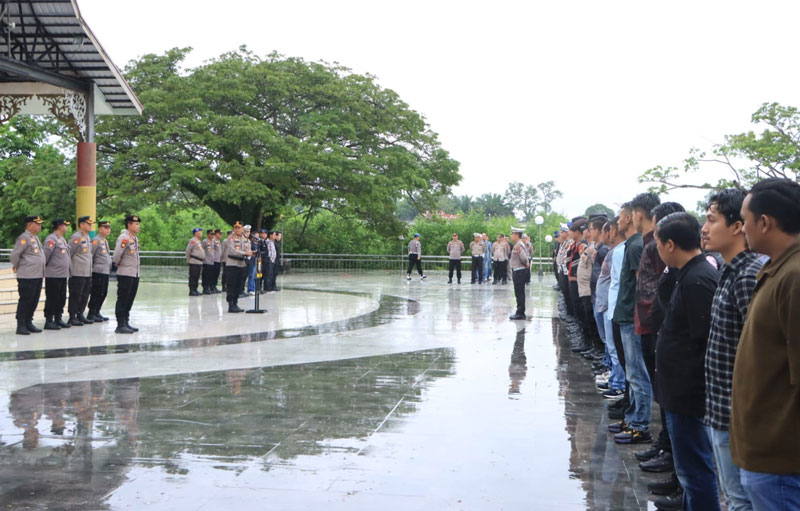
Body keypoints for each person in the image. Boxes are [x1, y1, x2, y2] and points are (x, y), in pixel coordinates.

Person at [731, 178, 800, 511]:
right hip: (763, 453)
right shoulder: (778, 269)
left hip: (781, 461)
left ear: (765, 222)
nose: (741, 228)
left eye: (744, 220)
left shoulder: (795, 276)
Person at [654, 212, 721, 511]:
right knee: (688, 468)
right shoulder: (685, 273)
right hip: (677, 390)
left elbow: (705, 341)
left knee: (695, 469)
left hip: (689, 393)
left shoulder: (699, 279)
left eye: (657, 243)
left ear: (669, 244)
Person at [700, 189, 761, 511]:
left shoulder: (749, 276)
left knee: (740, 501)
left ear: (738, 226)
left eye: (711, 220)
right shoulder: (728, 269)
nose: (704, 228)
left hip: (737, 414)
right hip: (721, 407)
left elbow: (759, 353)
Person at [610, 199, 653, 445]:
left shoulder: (637, 245)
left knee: (637, 374)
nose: (618, 221)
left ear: (632, 217)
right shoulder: (632, 245)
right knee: (632, 372)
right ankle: (632, 417)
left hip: (632, 318)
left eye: (620, 217)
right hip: (624, 315)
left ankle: (640, 424)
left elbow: (641, 286)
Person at [10, 215, 46, 335]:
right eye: (37, 224)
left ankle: (28, 322)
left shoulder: (35, 238)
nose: (40, 226)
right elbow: (15, 254)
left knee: (34, 300)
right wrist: (15, 265)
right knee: (26, 300)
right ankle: (21, 325)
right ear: (30, 225)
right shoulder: (24, 238)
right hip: (27, 275)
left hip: (37, 275)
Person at [113, 215, 141, 334]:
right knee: (123, 299)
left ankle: (126, 321)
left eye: (138, 224)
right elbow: (116, 256)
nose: (138, 226)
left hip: (134, 273)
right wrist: (121, 266)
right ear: (129, 225)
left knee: (130, 299)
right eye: (136, 224)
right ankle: (120, 324)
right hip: (125, 273)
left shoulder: (133, 238)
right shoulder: (124, 238)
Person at [43, 218, 71, 331]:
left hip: (63, 274)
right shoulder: (51, 239)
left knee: (61, 298)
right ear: (59, 226)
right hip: (53, 274)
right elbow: (45, 256)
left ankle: (58, 318)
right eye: (65, 225)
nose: (66, 227)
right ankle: (49, 320)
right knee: (52, 298)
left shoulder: (62, 239)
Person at [67, 216, 94, 326]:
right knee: (76, 295)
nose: (90, 225)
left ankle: (80, 314)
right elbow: (69, 253)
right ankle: (72, 316)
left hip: (87, 272)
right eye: (88, 223)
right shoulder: (76, 237)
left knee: (84, 294)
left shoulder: (87, 237)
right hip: (77, 272)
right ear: (82, 224)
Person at [224, 221, 253, 313]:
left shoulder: (246, 239)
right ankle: (231, 304)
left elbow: (248, 248)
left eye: (238, 227)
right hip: (232, 263)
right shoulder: (230, 239)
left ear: (242, 229)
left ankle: (236, 303)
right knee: (231, 284)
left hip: (241, 264)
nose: (236, 229)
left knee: (239, 284)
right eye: (235, 227)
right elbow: (232, 251)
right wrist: (245, 253)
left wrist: (251, 253)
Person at [87, 220, 112, 322]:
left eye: (109, 227)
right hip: (97, 271)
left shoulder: (104, 241)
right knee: (96, 292)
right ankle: (91, 313)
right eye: (105, 227)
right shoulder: (96, 241)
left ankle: (97, 311)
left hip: (105, 271)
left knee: (103, 293)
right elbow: (91, 256)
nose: (108, 230)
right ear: (100, 228)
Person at [508, 227, 530, 320]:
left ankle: (520, 312)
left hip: (519, 271)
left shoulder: (518, 245)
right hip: (518, 271)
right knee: (519, 292)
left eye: (512, 234)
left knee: (519, 293)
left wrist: (526, 263)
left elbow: (524, 258)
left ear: (517, 235)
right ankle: (520, 311)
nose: (511, 236)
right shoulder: (518, 244)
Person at [185, 228, 205, 296]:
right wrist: (188, 259)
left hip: (199, 262)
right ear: (196, 233)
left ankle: (195, 289)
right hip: (194, 261)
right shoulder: (193, 241)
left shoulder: (198, 241)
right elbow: (188, 250)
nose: (201, 233)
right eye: (200, 232)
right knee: (193, 276)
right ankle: (192, 290)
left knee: (197, 276)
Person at [201, 228, 216, 295]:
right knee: (206, 276)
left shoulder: (213, 242)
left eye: (213, 234)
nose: (212, 235)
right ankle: (205, 288)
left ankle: (209, 288)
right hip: (206, 261)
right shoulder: (205, 241)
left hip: (212, 262)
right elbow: (201, 250)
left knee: (210, 276)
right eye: (211, 234)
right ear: (208, 234)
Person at [212, 229, 223, 293]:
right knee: (213, 274)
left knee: (217, 274)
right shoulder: (213, 240)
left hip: (218, 260)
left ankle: (214, 286)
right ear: (216, 234)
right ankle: (212, 286)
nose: (221, 235)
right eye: (219, 233)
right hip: (214, 260)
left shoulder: (218, 241)